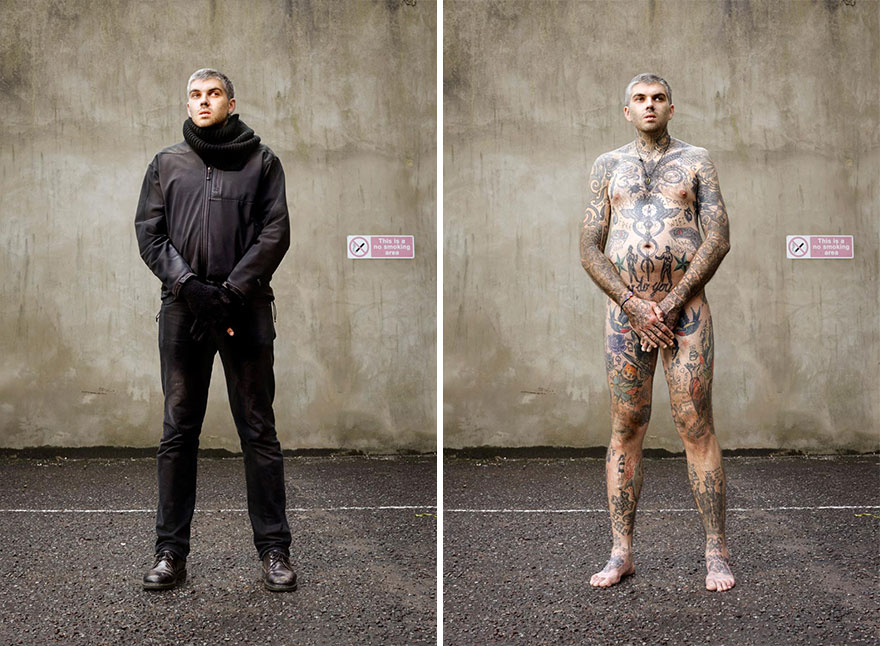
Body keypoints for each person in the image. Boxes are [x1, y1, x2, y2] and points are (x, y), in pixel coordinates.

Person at [135, 68, 296, 592]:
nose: (203, 102)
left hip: (245, 309)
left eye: (213, 94)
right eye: (195, 95)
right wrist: (191, 288)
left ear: (231, 102)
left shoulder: (262, 161)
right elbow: (150, 234)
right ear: (187, 105)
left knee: (258, 429)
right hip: (184, 310)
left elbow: (275, 232)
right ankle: (169, 553)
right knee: (178, 431)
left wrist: (231, 293)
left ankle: (274, 550)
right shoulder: (166, 163)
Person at [579, 73, 735, 592]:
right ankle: (620, 552)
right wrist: (633, 305)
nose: (650, 105)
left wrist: (667, 304)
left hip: (685, 313)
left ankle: (716, 551)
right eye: (640, 99)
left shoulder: (696, 160)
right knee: (626, 426)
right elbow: (589, 247)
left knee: (696, 424)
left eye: (658, 98)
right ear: (627, 111)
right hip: (626, 317)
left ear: (672, 107)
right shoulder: (607, 166)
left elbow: (718, 237)